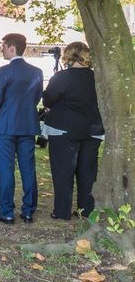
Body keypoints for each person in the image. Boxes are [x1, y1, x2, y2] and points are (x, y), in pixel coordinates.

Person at [42, 42, 104, 220]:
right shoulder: (97, 77)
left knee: (63, 171)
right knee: (88, 171)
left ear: (68, 55)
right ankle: (86, 210)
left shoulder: (62, 77)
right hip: (92, 129)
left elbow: (48, 100)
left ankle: (62, 211)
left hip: (64, 129)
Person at [0, 33, 43, 225]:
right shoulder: (36, 72)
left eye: (3, 46)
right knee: (28, 169)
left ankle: (7, 211)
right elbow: (37, 97)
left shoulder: (4, 71)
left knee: (6, 169)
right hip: (27, 124)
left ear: (12, 48)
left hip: (7, 125)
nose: (1, 49)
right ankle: (28, 211)